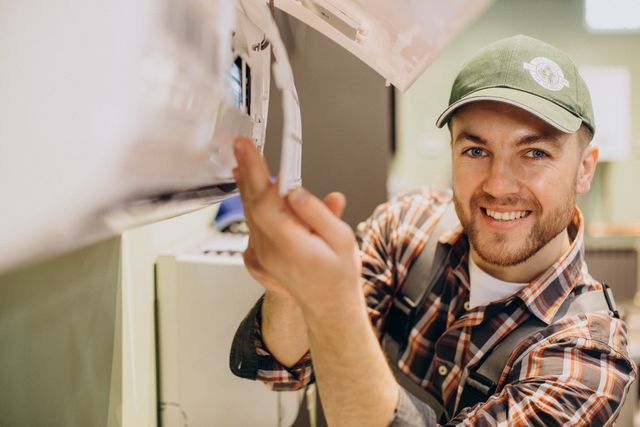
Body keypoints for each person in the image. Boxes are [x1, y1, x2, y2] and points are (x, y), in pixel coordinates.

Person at [228, 35, 637, 426]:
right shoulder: (407, 227)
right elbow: (282, 367)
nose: (497, 184)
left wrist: (332, 304)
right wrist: (289, 289)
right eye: (476, 151)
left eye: (534, 153)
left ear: (584, 169)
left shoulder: (588, 359)